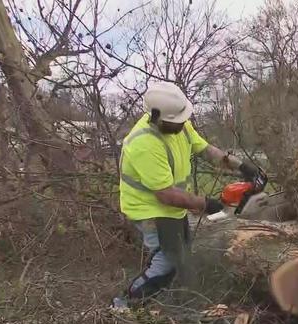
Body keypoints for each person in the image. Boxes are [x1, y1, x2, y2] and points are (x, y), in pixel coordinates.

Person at [113, 81, 265, 308]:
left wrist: (242, 166)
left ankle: (170, 298)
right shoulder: (144, 143)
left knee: (181, 253)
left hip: (171, 207)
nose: (182, 125)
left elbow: (205, 150)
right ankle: (124, 305)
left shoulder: (177, 123)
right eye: (176, 122)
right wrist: (207, 203)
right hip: (149, 210)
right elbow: (165, 195)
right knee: (167, 262)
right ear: (156, 118)